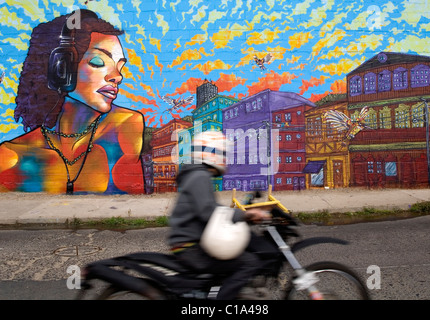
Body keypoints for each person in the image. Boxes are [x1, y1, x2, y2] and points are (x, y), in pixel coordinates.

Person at [0, 9, 144, 194]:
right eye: (98, 62)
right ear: (60, 69)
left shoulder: (126, 125)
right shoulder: (12, 156)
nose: (117, 77)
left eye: (119, 67)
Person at [168, 130, 280, 300]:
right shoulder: (199, 176)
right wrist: (245, 216)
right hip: (190, 246)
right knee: (249, 263)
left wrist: (241, 212)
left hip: (190, 239)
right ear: (212, 153)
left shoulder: (196, 174)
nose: (225, 159)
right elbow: (209, 212)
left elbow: (210, 208)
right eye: (223, 154)